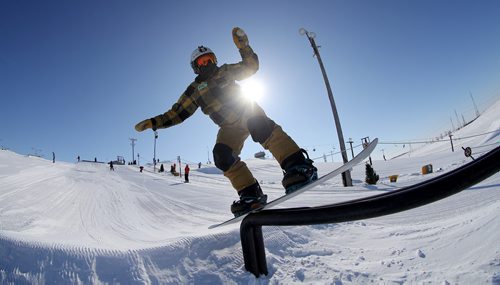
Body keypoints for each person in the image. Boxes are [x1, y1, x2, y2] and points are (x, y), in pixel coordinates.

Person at [135, 27, 317, 217]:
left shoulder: (225, 72)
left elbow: (250, 67)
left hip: (246, 109)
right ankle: (250, 194)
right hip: (229, 127)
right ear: (196, 67)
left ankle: (299, 166)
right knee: (222, 155)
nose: (208, 64)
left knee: (260, 127)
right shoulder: (194, 90)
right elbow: (177, 113)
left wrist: (244, 47)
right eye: (203, 62)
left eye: (210, 60)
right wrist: (153, 123)